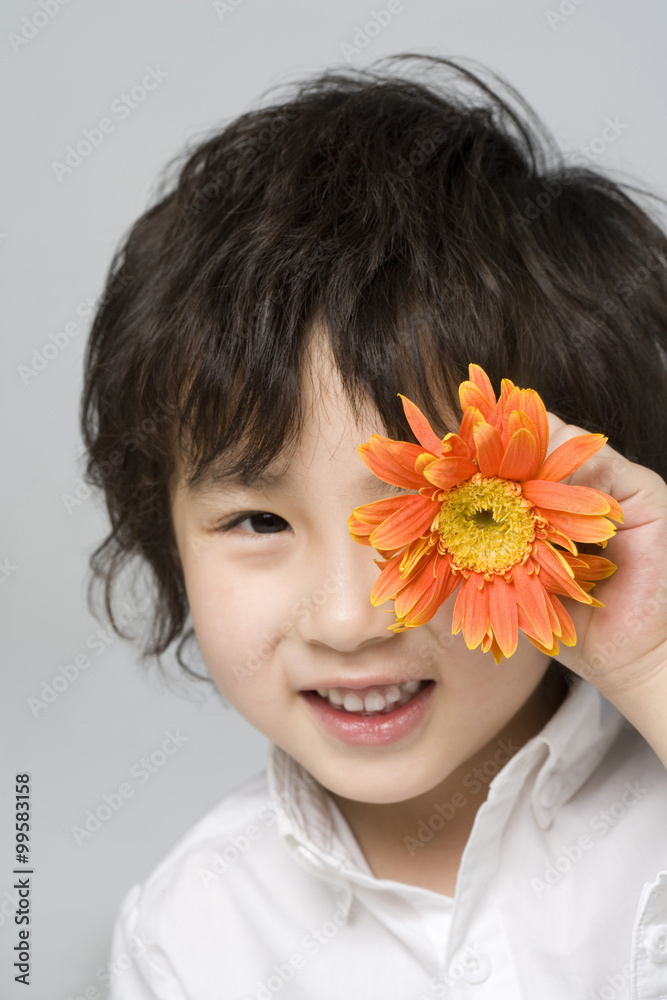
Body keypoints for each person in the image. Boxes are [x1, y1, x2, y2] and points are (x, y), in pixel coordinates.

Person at [80, 54, 667, 998]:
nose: (352, 620)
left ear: (570, 508)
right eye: (259, 519)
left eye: (437, 517)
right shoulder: (189, 935)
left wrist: (652, 663)